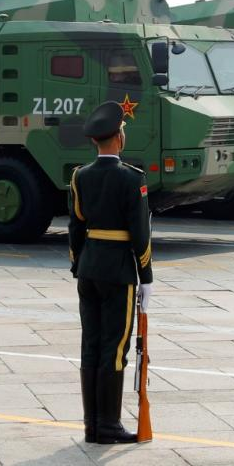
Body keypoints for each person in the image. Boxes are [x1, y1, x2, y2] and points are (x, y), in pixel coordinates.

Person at [69, 100, 153, 445]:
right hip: (118, 271)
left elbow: (76, 227)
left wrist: (78, 263)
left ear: (95, 140)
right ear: (119, 137)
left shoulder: (81, 176)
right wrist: (146, 276)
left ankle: (92, 425)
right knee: (114, 348)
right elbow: (140, 232)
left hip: (88, 269)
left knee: (90, 344)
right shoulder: (132, 178)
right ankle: (108, 425)